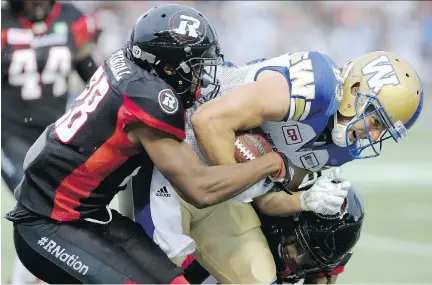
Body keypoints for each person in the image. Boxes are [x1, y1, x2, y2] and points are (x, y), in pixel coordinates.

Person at [5, 4, 292, 284]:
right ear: (167, 66)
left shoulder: (133, 67)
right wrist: (272, 163)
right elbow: (199, 189)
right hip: (48, 223)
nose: (201, 77)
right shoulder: (148, 99)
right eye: (194, 67)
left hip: (87, 214)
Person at [135, 50, 422, 283]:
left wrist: (305, 200)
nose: (373, 136)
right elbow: (208, 122)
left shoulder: (338, 148)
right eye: (375, 122)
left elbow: (264, 198)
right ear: (356, 89)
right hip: (175, 163)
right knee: (159, 272)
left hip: (221, 193)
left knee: (260, 278)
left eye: (383, 131)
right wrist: (254, 174)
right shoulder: (315, 88)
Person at [1, 1, 99, 283]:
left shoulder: (71, 18)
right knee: (33, 204)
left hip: (56, 135)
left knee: (65, 209)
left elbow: (90, 72)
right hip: (10, 134)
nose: (38, 5)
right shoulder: (3, 22)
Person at [183, 183, 365, 285]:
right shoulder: (237, 219)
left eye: (310, 261)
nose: (296, 262)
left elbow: (325, 273)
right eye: (298, 246)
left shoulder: (327, 255)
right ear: (290, 218)